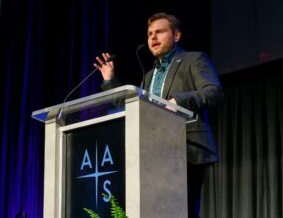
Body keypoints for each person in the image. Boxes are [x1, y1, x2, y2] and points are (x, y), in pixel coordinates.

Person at [94, 12, 223, 218]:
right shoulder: (149, 76)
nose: (153, 38)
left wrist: (177, 101)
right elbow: (132, 107)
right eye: (149, 34)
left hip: (187, 148)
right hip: (153, 152)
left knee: (182, 211)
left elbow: (213, 92)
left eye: (160, 32)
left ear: (177, 35)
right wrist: (110, 80)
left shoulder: (193, 60)